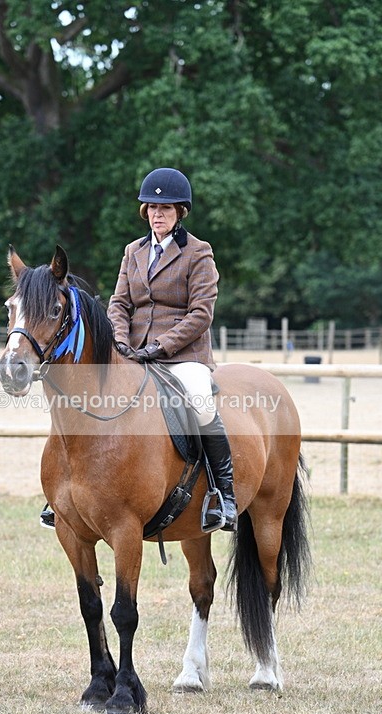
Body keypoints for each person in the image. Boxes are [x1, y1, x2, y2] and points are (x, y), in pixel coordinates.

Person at [106, 167, 237, 532]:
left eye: (165, 208)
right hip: (133, 351)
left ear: (180, 211)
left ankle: (224, 495)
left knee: (200, 401)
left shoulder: (198, 253)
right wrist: (121, 341)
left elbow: (201, 314)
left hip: (182, 355)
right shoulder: (133, 251)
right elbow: (119, 304)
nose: (157, 214)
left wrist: (159, 346)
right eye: (152, 207)